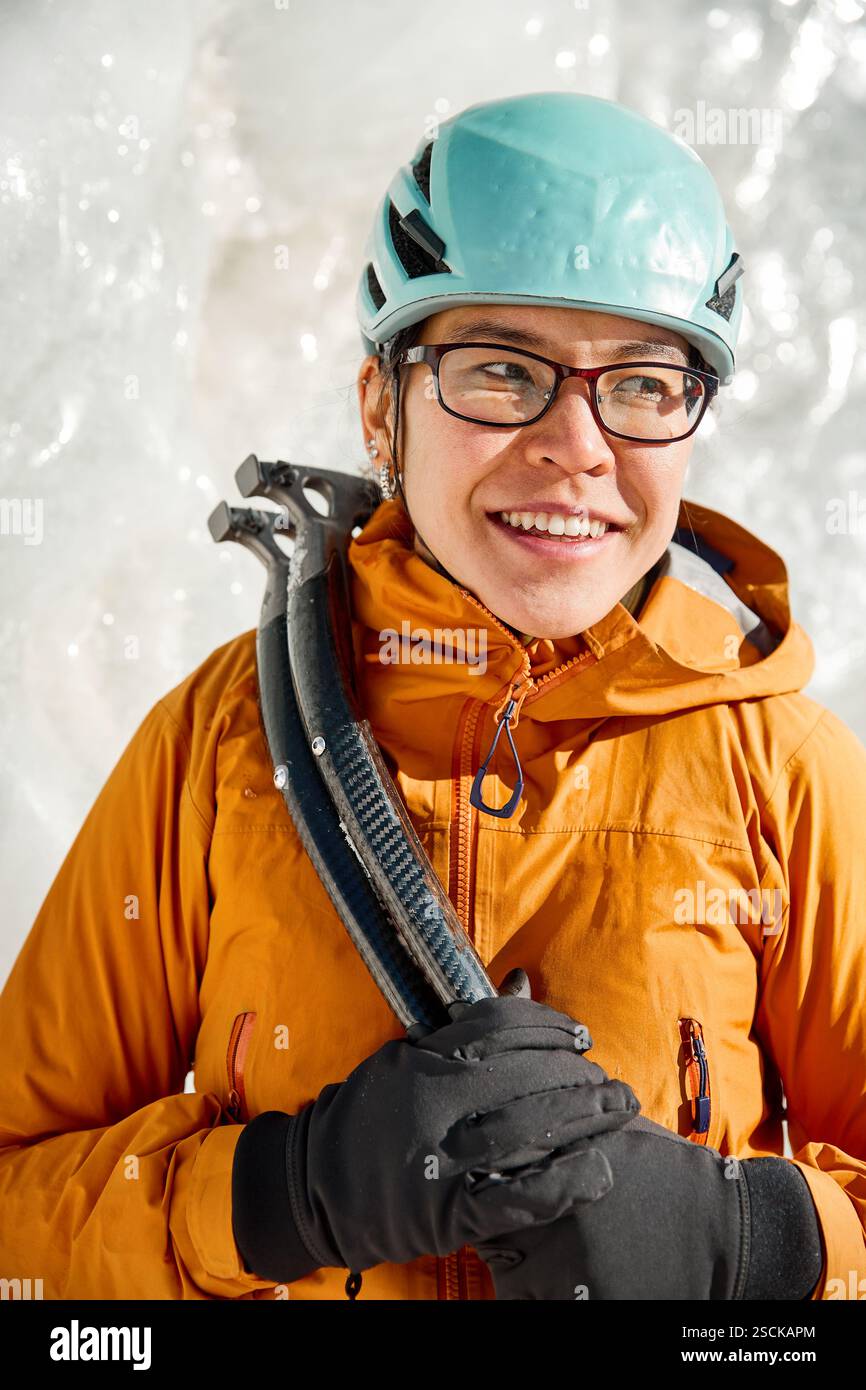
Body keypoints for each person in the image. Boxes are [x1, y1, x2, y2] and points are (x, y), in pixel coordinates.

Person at [1, 91, 864, 1301]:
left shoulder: (786, 773)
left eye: (641, 383)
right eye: (500, 371)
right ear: (379, 408)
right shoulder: (221, 745)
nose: (577, 444)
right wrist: (274, 1196)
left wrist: (753, 1243)